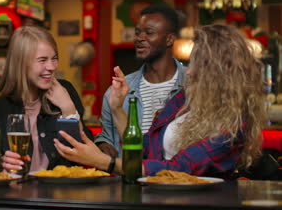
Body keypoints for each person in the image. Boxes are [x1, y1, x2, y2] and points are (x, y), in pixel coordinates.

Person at [55, 24, 265, 178]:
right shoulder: (185, 101)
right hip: (158, 199)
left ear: (219, 73)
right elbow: (145, 148)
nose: (189, 72)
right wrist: (117, 108)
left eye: (197, 66)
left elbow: (179, 169)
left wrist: (104, 162)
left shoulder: (233, 124)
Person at [0, 26, 93, 172]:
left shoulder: (65, 90)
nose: (51, 67)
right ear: (21, 64)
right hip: (15, 191)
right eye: (42, 60)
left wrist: (68, 107)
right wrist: (0, 162)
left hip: (59, 190)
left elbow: (87, 151)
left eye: (54, 59)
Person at [95, 4, 186, 158]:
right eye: (137, 33)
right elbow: (106, 137)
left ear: (169, 39)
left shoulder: (193, 85)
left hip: (178, 178)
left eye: (149, 33)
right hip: (131, 177)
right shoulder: (117, 91)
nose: (139, 38)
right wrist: (103, 146)